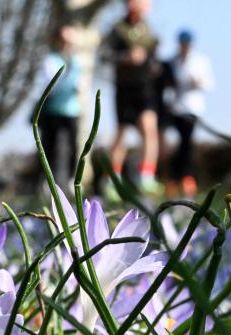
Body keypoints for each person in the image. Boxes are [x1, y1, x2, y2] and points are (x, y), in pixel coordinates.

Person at [103, 0, 161, 196]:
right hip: (124, 88)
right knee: (121, 133)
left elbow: (154, 59)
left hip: (145, 88)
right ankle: (112, 180)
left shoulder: (149, 30)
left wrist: (153, 64)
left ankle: (147, 177)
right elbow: (106, 55)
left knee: (149, 128)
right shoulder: (118, 29)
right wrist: (125, 57)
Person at [32, 25, 81, 189]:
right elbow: (51, 84)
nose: (66, 44)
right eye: (64, 40)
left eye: (70, 41)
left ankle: (70, 180)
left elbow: (80, 85)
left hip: (71, 110)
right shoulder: (50, 60)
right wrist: (68, 84)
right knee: (48, 147)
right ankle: (44, 182)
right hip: (53, 109)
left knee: (74, 147)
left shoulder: (77, 61)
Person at [167, 29, 213, 197]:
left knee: (187, 142)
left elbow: (208, 83)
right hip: (177, 108)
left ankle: (184, 178)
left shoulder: (200, 61)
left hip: (193, 108)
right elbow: (168, 85)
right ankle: (178, 177)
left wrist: (198, 82)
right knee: (181, 143)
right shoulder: (173, 61)